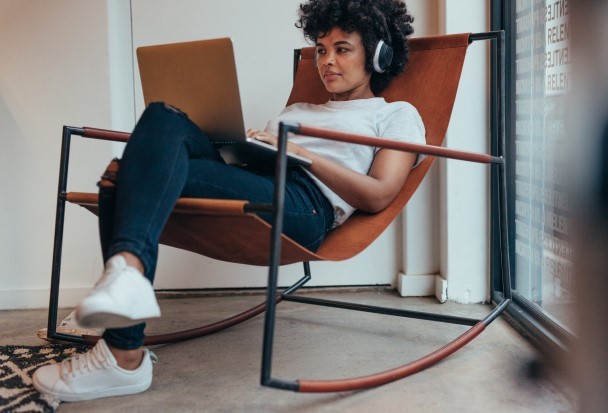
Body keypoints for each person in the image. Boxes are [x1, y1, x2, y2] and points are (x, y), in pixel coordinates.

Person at [33, 0, 424, 402]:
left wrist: (299, 152)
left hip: (305, 205)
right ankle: (125, 295)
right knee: (162, 115)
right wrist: (246, 144)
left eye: (342, 49)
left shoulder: (395, 115)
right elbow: (245, 168)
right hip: (257, 181)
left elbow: (378, 194)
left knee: (121, 177)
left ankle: (122, 348)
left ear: (378, 54)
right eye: (321, 49)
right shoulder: (298, 108)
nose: (326, 61)